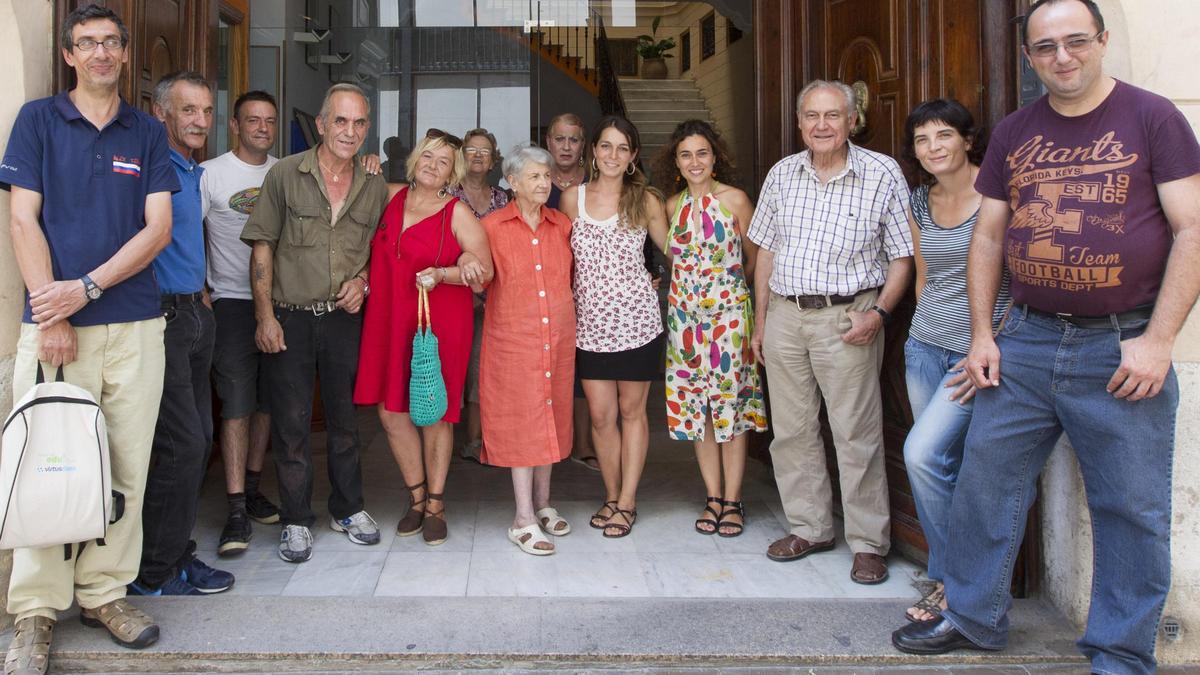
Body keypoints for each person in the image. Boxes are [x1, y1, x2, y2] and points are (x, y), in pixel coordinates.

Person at [892, 1, 1200, 671]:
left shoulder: (1154, 117)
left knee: (1129, 506)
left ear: (1102, 41)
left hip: (1121, 345)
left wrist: (1159, 340)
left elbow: (1192, 229)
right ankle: (973, 615)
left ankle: (1120, 650)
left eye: (1075, 42)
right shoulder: (1014, 132)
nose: (1062, 56)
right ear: (1029, 58)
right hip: (1025, 340)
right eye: (1046, 47)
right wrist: (982, 335)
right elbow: (991, 235)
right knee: (985, 484)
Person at [1, 4, 177, 668]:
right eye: (87, 43)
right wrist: (55, 313)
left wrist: (89, 288)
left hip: (133, 325)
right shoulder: (39, 122)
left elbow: (157, 228)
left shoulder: (147, 132)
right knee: (47, 462)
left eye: (111, 42)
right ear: (69, 54)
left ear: (126, 54)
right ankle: (36, 610)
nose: (101, 53)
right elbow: (23, 221)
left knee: (125, 465)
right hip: (55, 329)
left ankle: (105, 592)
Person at [748, 80, 914, 584]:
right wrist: (761, 320)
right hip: (784, 316)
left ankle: (868, 543)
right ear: (800, 123)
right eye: (812, 116)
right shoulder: (782, 174)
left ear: (850, 121)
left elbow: (902, 257)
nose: (822, 126)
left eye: (832, 116)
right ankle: (811, 527)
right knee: (792, 432)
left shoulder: (882, 173)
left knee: (855, 433)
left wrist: (880, 314)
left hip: (848, 319)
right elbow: (765, 253)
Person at [241, 83, 387, 564]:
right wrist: (264, 315)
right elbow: (262, 246)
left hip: (345, 321)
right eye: (340, 121)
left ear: (367, 129)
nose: (349, 131)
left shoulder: (373, 184)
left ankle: (348, 509)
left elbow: (380, 254)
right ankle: (296, 519)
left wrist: (363, 281)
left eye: (358, 123)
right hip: (291, 318)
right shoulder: (285, 175)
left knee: (346, 423)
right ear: (322, 124)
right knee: (291, 424)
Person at [897, 98, 1010, 621]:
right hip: (925, 348)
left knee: (925, 455)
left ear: (967, 139)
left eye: (943, 136)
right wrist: (923, 333)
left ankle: (956, 581)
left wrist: (989, 341)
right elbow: (924, 275)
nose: (932, 148)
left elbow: (1019, 278)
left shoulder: (998, 191)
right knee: (937, 464)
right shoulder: (920, 201)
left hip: (977, 354)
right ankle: (955, 579)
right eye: (922, 140)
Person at [353, 129, 492, 547]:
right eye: (428, 157)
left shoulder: (458, 212)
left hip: (437, 323)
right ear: (415, 161)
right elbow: (353, 188)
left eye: (444, 161)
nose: (433, 166)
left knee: (434, 412)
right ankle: (415, 496)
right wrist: (367, 163)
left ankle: (435, 503)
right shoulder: (389, 196)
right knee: (389, 411)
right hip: (387, 318)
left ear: (455, 172)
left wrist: (449, 271)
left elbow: (482, 269)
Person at [128, 71, 233, 597]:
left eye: (207, 111)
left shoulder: (191, 171)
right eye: (188, 110)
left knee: (200, 440)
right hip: (161, 319)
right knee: (181, 444)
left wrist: (203, 292)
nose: (199, 121)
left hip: (195, 313)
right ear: (162, 111)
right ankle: (153, 574)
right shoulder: (147, 166)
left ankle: (175, 554)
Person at [654, 119, 767, 538]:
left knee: (731, 409)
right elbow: (674, 261)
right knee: (698, 409)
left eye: (702, 153)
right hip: (684, 323)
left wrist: (734, 301)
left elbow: (754, 261)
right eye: (686, 154)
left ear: (714, 156)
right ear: (676, 162)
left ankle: (734, 501)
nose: (695, 161)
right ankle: (713, 497)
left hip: (729, 321)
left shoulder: (735, 200)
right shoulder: (671, 206)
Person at [560, 115, 668, 539]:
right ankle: (610, 494)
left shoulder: (646, 201)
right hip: (589, 326)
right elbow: (558, 258)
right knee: (602, 418)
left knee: (632, 412)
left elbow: (676, 251)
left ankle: (628, 501)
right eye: (606, 146)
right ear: (593, 151)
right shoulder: (573, 199)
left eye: (622, 148)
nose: (612, 155)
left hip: (638, 323)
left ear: (633, 156)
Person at [478, 144, 574, 555]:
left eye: (546, 175)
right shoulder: (492, 226)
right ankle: (522, 519)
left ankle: (543, 503)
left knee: (549, 415)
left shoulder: (562, 224)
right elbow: (477, 276)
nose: (542, 182)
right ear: (512, 182)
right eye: (533, 176)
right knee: (523, 424)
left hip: (557, 338)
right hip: (513, 341)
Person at [200, 90, 283, 558]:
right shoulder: (210, 174)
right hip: (229, 301)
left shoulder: (285, 171)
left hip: (277, 302)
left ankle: (253, 488)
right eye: (253, 120)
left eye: (269, 121)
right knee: (236, 404)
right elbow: (187, 233)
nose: (263, 128)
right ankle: (234, 506)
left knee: (267, 403)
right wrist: (201, 289)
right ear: (234, 125)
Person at [543, 112, 598, 471]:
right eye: (559, 139)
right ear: (548, 142)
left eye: (573, 139)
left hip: (593, 293)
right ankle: (549, 445)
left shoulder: (597, 184)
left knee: (587, 373)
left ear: (584, 146)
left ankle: (585, 445)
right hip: (548, 291)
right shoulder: (536, 182)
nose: (566, 146)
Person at [450, 127, 509, 464]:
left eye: (484, 152)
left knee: (481, 368)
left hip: (492, 298)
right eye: (471, 150)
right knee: (450, 368)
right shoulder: (447, 196)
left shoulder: (503, 199)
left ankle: (476, 440)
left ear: (493, 161)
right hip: (453, 293)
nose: (477, 156)